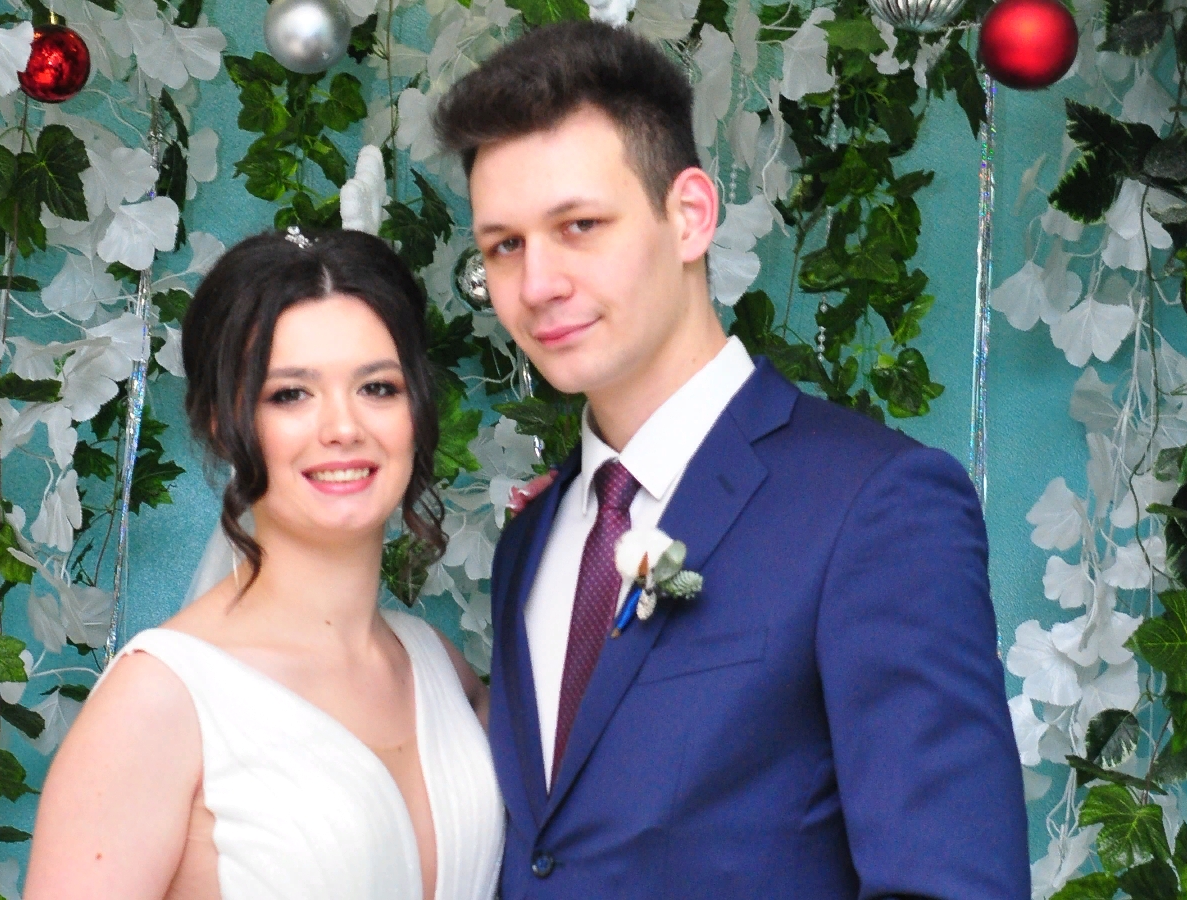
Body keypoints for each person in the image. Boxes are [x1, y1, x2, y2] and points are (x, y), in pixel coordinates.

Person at [433, 20, 1030, 898]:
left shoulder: (873, 505)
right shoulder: (532, 541)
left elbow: (948, 883)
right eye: (505, 245)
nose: (538, 284)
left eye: (580, 225)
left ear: (690, 216)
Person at [23, 228, 504, 900]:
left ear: (416, 411)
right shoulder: (157, 704)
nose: (344, 428)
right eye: (290, 395)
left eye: (377, 387)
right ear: (224, 424)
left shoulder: (441, 671)